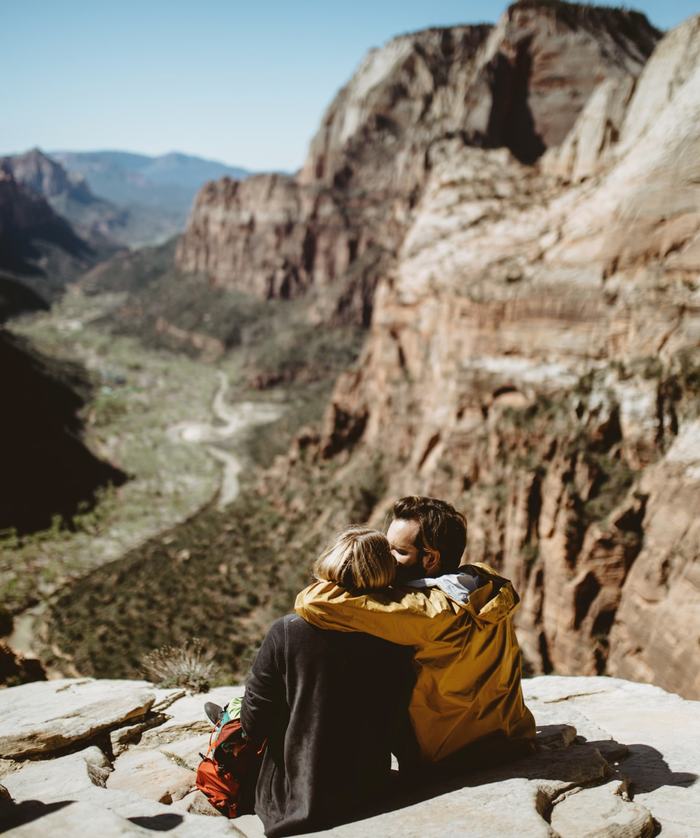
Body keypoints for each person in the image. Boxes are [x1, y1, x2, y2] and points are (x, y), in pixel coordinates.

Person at [295, 496, 536, 767]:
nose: (387, 558)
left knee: (300, 634)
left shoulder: (424, 611)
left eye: (397, 551)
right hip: (508, 737)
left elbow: (312, 602)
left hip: (445, 754)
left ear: (430, 558)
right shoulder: (482, 579)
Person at [240, 526, 415, 838]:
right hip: (367, 787)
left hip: (294, 799)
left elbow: (254, 723)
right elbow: (401, 720)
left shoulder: (288, 631)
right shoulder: (398, 634)